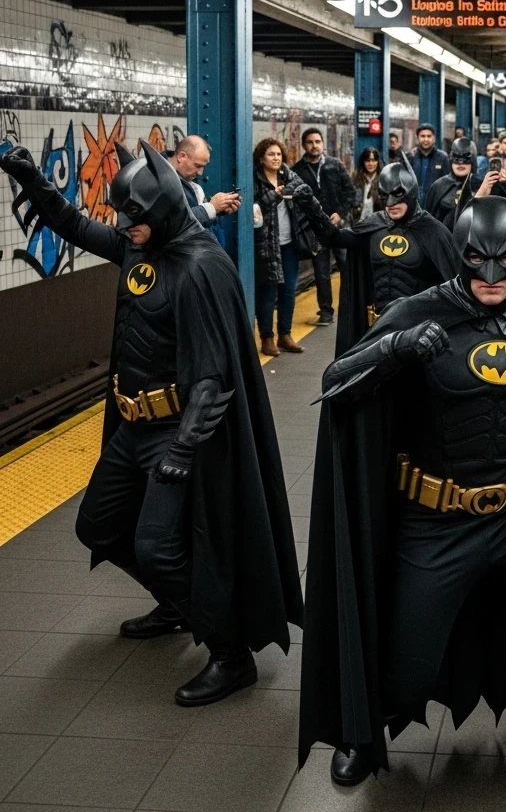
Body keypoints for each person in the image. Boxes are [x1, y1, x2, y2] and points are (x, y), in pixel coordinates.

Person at [299, 186, 506, 811]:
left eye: (503, 264)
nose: (489, 278)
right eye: (476, 262)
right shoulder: (421, 310)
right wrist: (394, 348)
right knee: (406, 671)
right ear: (457, 255)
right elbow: (334, 382)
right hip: (435, 520)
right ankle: (363, 729)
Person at [0, 141, 303, 704]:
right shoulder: (140, 247)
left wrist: (182, 451)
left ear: (162, 212)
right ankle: (178, 605)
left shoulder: (201, 266)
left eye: (135, 217)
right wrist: (30, 177)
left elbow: (213, 376)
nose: (125, 226)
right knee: (99, 527)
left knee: (159, 545)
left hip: (175, 433)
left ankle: (230, 651)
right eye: (123, 217)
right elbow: (70, 222)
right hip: (133, 427)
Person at [296, 157, 458, 357]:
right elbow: (336, 238)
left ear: (411, 192)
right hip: (377, 329)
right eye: (385, 195)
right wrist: (313, 209)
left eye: (398, 195)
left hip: (417, 332)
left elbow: (454, 284)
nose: (391, 204)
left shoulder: (433, 232)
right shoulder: (376, 224)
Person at [292, 127, 355, 327]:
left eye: (318, 141)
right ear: (304, 145)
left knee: (347, 267)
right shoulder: (297, 171)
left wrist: (341, 213)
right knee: (321, 272)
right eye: (310, 142)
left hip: (338, 228)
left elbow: (350, 192)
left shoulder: (335, 165)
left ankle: (350, 306)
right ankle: (326, 312)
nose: (314, 145)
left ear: (323, 144)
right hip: (316, 231)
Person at [254, 138, 306, 357]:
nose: (276, 158)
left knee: (288, 291)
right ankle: (267, 338)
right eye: (271, 155)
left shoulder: (288, 175)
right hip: (267, 244)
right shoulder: (255, 179)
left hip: (289, 243)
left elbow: (303, 190)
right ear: (261, 158)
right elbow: (254, 207)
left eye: (278, 155)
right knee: (267, 292)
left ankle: (285, 334)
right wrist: (273, 196)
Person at [167, 135, 240, 230]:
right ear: (181, 156)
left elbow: (192, 223)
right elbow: (172, 224)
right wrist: (210, 208)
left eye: (203, 167)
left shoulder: (188, 181)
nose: (200, 173)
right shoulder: (158, 177)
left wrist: (217, 210)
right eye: (197, 166)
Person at [425, 136, 480, 227]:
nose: (460, 163)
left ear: (473, 160)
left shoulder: (481, 186)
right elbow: (428, 222)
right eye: (456, 158)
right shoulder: (438, 186)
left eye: (466, 158)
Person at [407, 124, 450, 203]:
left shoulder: (443, 158)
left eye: (429, 136)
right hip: (413, 207)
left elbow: (448, 184)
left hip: (435, 207)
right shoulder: (410, 157)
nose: (426, 139)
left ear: (434, 138)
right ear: (417, 138)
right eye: (422, 136)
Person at [351, 146, 384, 224]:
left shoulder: (383, 179)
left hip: (378, 224)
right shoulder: (355, 179)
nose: (371, 164)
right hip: (358, 223)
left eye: (373, 160)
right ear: (363, 162)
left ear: (378, 162)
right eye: (367, 160)